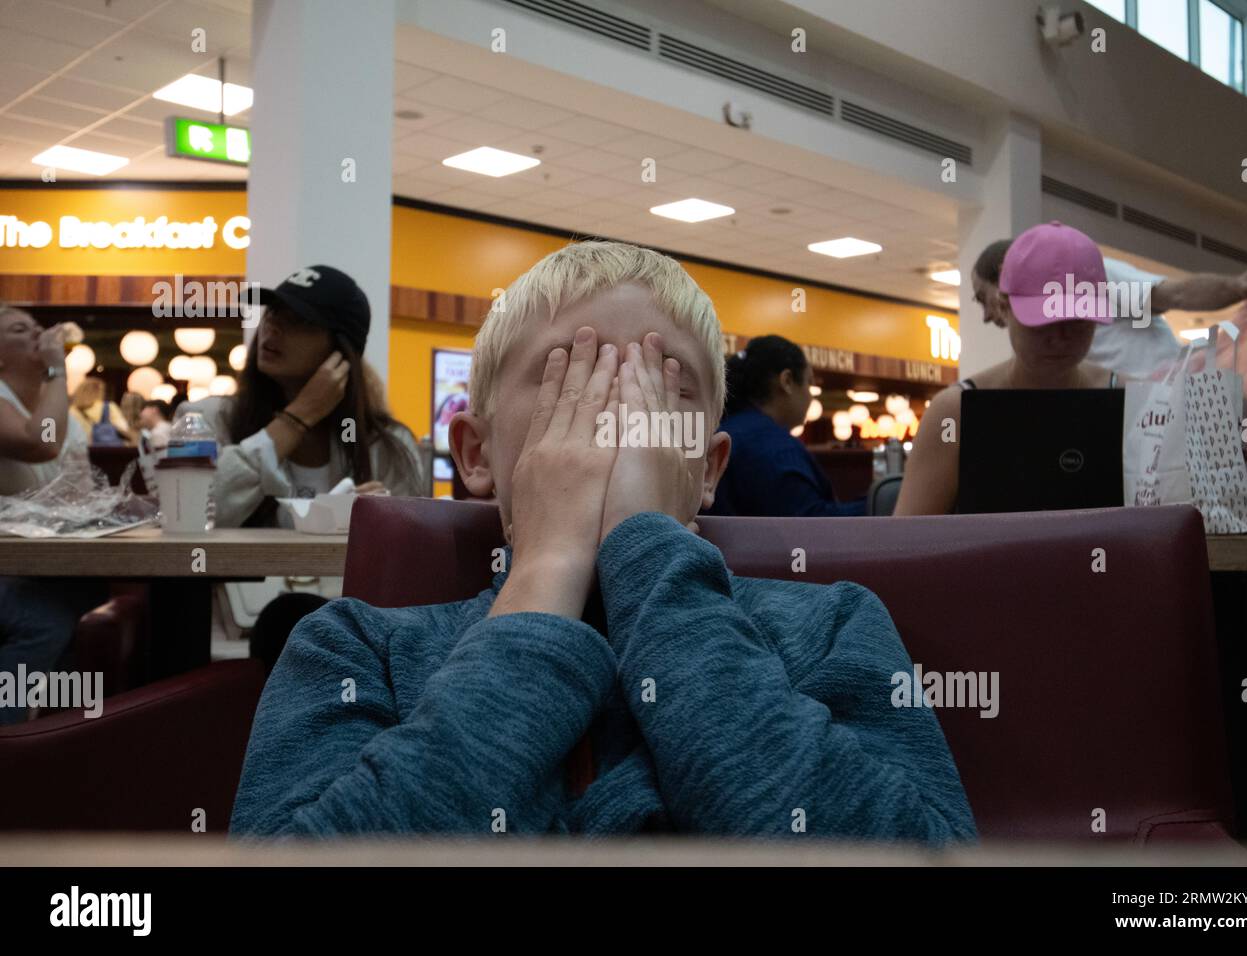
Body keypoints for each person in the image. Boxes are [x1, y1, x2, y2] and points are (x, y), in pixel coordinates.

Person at [230, 241, 976, 841]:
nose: (620, 417)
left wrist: (646, 550)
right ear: (478, 456)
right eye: (572, 379)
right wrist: (548, 572)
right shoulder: (354, 647)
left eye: (662, 388)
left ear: (709, 469)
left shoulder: (833, 627)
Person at [175, 265, 422, 671]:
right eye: (272, 314)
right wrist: (296, 418)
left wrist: (380, 521)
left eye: (300, 322)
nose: (273, 329)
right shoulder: (206, 419)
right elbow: (192, 513)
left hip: (347, 653)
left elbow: (412, 571)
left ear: (340, 353)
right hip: (222, 647)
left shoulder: (387, 447)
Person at [896, 222, 1121, 517]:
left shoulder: (1129, 400)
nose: (1060, 336)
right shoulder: (955, 412)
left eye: (1077, 320)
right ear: (1004, 307)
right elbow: (906, 543)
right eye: (1044, 321)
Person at [974, 236, 1247, 378]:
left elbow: (1173, 295)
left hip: (1160, 415)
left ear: (1004, 271)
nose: (987, 315)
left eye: (980, 297)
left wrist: (1238, 286)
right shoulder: (1031, 335)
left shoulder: (1086, 278)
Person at [0, 308, 102, 724]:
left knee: (87, 604)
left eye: (40, 328)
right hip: (8, 569)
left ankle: (60, 742)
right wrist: (57, 369)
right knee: (45, 619)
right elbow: (39, 442)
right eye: (20, 330)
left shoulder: (57, 409)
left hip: (41, 566)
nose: (40, 335)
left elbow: (81, 494)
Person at [707, 334, 866, 516]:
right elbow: (810, 526)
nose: (811, 395)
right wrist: (885, 502)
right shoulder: (776, 448)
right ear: (787, 381)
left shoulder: (723, 431)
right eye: (809, 383)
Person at [69, 378, 133, 445]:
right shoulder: (109, 407)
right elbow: (124, 428)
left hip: (81, 448)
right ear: (100, 392)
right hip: (103, 451)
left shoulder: (72, 411)